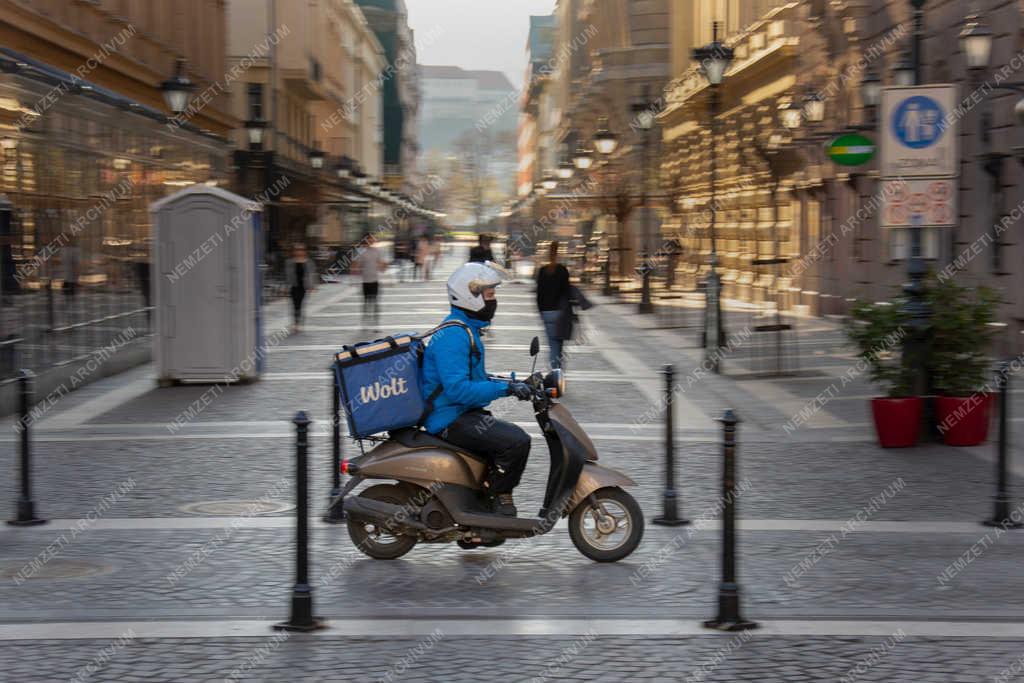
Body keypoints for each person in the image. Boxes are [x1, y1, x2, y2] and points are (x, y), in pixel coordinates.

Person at [421, 261, 533, 516]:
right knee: (516, 442)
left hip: (460, 413)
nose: (494, 301)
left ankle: (478, 506)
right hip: (449, 419)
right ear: (470, 296)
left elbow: (478, 378)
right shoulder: (454, 336)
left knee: (499, 440)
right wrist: (507, 390)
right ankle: (497, 499)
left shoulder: (466, 330)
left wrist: (516, 383)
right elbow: (459, 390)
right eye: (490, 295)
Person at [535, 240, 571, 370]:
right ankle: (558, 372)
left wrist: (541, 311)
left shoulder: (543, 271)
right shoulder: (563, 270)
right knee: (559, 345)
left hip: (546, 312)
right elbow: (567, 293)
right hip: (560, 312)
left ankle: (555, 372)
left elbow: (538, 294)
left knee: (552, 345)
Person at [353, 232, 388, 330]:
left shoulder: (377, 251)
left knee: (376, 303)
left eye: (373, 239)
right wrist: (355, 272)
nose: (371, 241)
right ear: (366, 240)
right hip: (365, 281)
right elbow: (356, 265)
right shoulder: (361, 252)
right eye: (369, 239)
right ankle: (364, 323)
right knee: (366, 303)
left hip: (375, 281)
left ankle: (376, 324)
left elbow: (382, 267)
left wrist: (384, 266)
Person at [285, 242, 317, 332]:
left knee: (300, 305)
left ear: (304, 251)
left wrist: (312, 286)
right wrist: (285, 287)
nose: (299, 252)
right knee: (294, 305)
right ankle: (296, 323)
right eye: (297, 250)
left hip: (303, 287)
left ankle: (298, 323)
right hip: (293, 286)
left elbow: (312, 274)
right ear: (294, 251)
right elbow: (287, 276)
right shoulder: (289, 262)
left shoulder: (309, 262)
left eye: (301, 250)